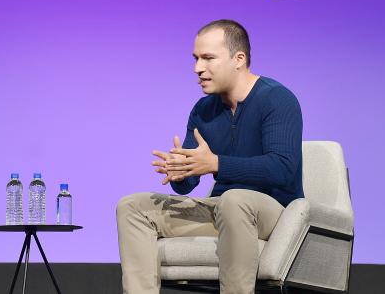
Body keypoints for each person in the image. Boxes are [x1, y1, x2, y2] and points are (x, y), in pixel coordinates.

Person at [116, 20, 303, 294]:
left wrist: (216, 164)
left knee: (234, 200)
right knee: (132, 207)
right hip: (222, 209)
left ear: (238, 59)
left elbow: (282, 168)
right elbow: (189, 181)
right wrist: (181, 171)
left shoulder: (277, 99)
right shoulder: (204, 109)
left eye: (208, 58)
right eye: (195, 59)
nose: (197, 69)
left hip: (274, 213)